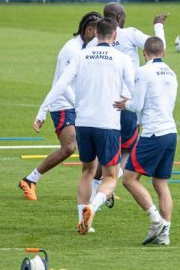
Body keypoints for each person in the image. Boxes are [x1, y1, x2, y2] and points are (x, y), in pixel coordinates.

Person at [37, 17, 135, 234]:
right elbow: (134, 92)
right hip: (108, 123)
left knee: (87, 171)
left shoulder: (81, 56)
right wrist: (131, 105)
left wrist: (42, 110)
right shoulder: (123, 59)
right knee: (110, 176)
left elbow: (60, 84)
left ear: (96, 33)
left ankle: (82, 219)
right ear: (114, 35)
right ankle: (94, 206)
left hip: (82, 123)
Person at [88, 2, 168, 205]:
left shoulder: (94, 44)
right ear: (119, 18)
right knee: (128, 150)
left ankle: (97, 190)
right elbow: (158, 47)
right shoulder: (130, 34)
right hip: (127, 102)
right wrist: (158, 25)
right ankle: (107, 188)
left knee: (107, 152)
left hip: (102, 104)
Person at [19, 11, 101, 201]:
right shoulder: (71, 50)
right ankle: (30, 179)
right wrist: (78, 105)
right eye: (98, 32)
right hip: (63, 103)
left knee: (92, 146)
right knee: (69, 147)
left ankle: (96, 190)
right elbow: (62, 85)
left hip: (80, 103)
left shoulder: (91, 47)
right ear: (89, 30)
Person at [115, 37, 178, 246]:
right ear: (163, 53)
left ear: (144, 53)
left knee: (128, 179)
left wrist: (125, 104)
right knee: (161, 183)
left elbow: (137, 105)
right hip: (170, 132)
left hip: (153, 134)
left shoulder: (143, 72)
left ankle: (156, 219)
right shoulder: (171, 73)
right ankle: (165, 234)